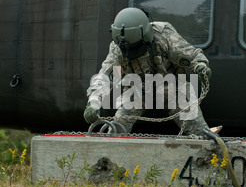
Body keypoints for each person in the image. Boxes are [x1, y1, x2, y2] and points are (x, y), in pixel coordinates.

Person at [83, 7, 212, 135]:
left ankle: (210, 149)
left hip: (173, 87)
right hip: (137, 90)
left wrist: (200, 66)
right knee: (118, 128)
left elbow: (191, 55)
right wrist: (94, 103)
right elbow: (105, 77)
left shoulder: (163, 35)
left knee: (198, 129)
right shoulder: (118, 50)